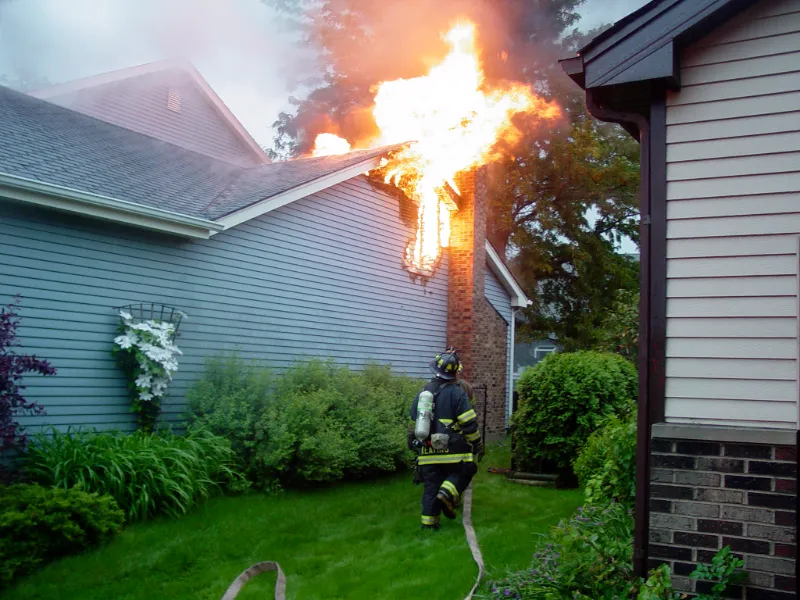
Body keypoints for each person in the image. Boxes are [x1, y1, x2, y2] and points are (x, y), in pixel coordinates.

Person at [408, 348, 484, 530]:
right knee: (467, 469)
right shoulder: (458, 393)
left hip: (427, 450)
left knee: (430, 487)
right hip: (453, 450)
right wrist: (477, 444)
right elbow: (469, 424)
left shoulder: (424, 391)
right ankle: (447, 493)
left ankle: (429, 525)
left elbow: (413, 417)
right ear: (455, 373)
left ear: (435, 370)